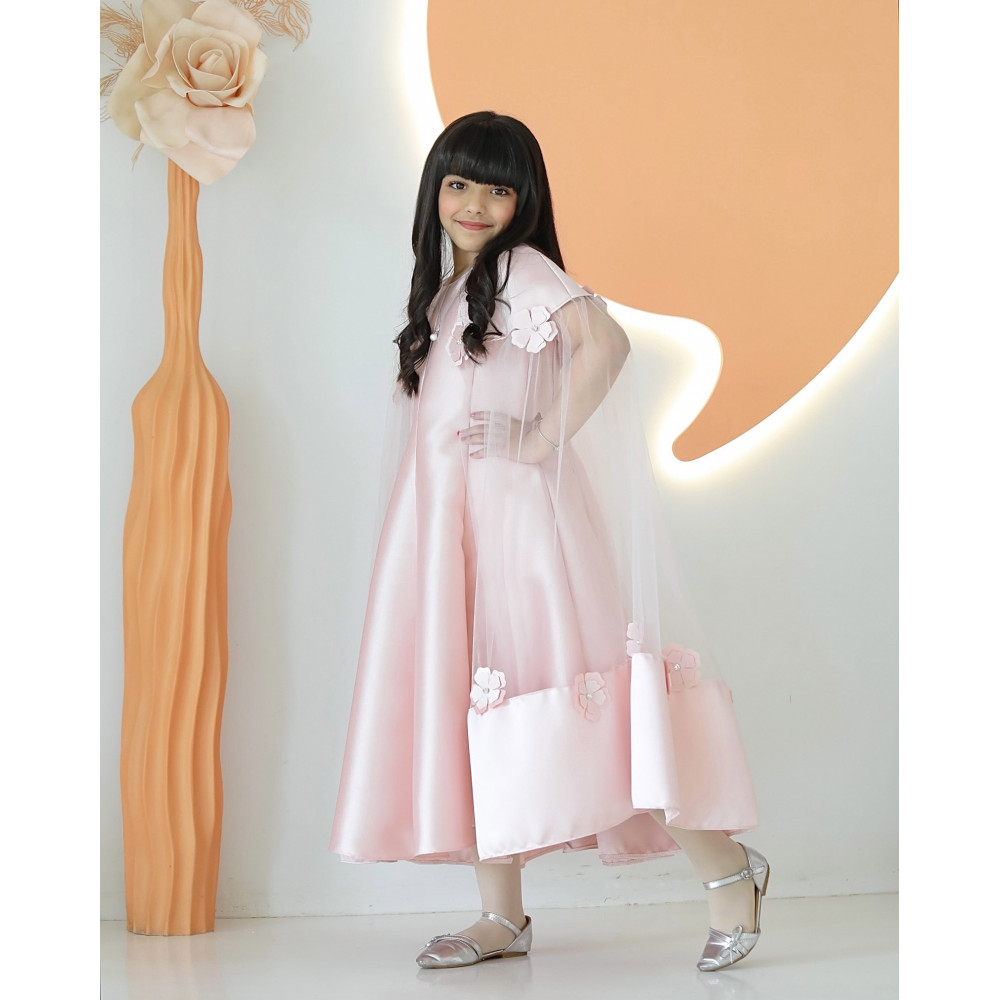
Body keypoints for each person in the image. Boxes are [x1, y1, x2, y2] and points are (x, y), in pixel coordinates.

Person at [330, 111, 767, 972]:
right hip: (447, 532)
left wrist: (537, 438)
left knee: (593, 707)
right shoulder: (451, 291)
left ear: (523, 201)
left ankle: (729, 874)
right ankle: (502, 916)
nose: (475, 204)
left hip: (519, 534)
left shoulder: (520, 269)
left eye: (498, 189)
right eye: (459, 183)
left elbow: (606, 343)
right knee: (477, 707)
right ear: (435, 190)